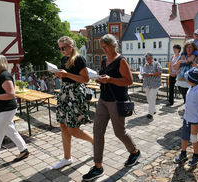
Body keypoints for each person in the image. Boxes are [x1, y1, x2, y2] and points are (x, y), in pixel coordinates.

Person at [82, 34, 140, 181]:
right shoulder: (104, 60)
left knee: (119, 132)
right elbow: (104, 76)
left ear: (114, 45)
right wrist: (99, 78)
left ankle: (134, 152)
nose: (104, 50)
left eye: (106, 46)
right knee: (97, 132)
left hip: (117, 101)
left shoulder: (121, 61)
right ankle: (98, 166)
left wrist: (111, 80)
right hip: (103, 100)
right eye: (102, 47)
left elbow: (129, 81)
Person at [53, 36, 94, 169]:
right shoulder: (64, 59)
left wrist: (66, 75)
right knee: (63, 126)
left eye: (63, 48)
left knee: (73, 130)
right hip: (65, 93)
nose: (61, 51)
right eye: (60, 48)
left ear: (71, 46)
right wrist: (58, 74)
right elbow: (65, 75)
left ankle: (95, 142)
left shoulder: (79, 59)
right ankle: (67, 158)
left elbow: (85, 79)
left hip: (75, 94)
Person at [0, 55, 29, 161]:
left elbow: (11, 95)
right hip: (0, 110)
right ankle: (24, 150)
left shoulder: (4, 76)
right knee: (10, 130)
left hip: (6, 110)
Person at [173, 68, 198, 166]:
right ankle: (183, 153)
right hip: (187, 118)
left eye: (188, 78)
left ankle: (196, 156)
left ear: (192, 80)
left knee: (194, 138)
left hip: (195, 120)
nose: (186, 79)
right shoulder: (191, 88)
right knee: (184, 137)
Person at [142, 53, 162, 119]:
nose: (147, 60)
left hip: (155, 84)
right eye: (146, 59)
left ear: (152, 58)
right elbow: (143, 72)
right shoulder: (145, 65)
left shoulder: (156, 64)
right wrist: (143, 74)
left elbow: (160, 72)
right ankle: (153, 110)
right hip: (147, 83)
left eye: (148, 58)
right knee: (148, 98)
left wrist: (151, 74)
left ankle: (150, 113)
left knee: (151, 97)